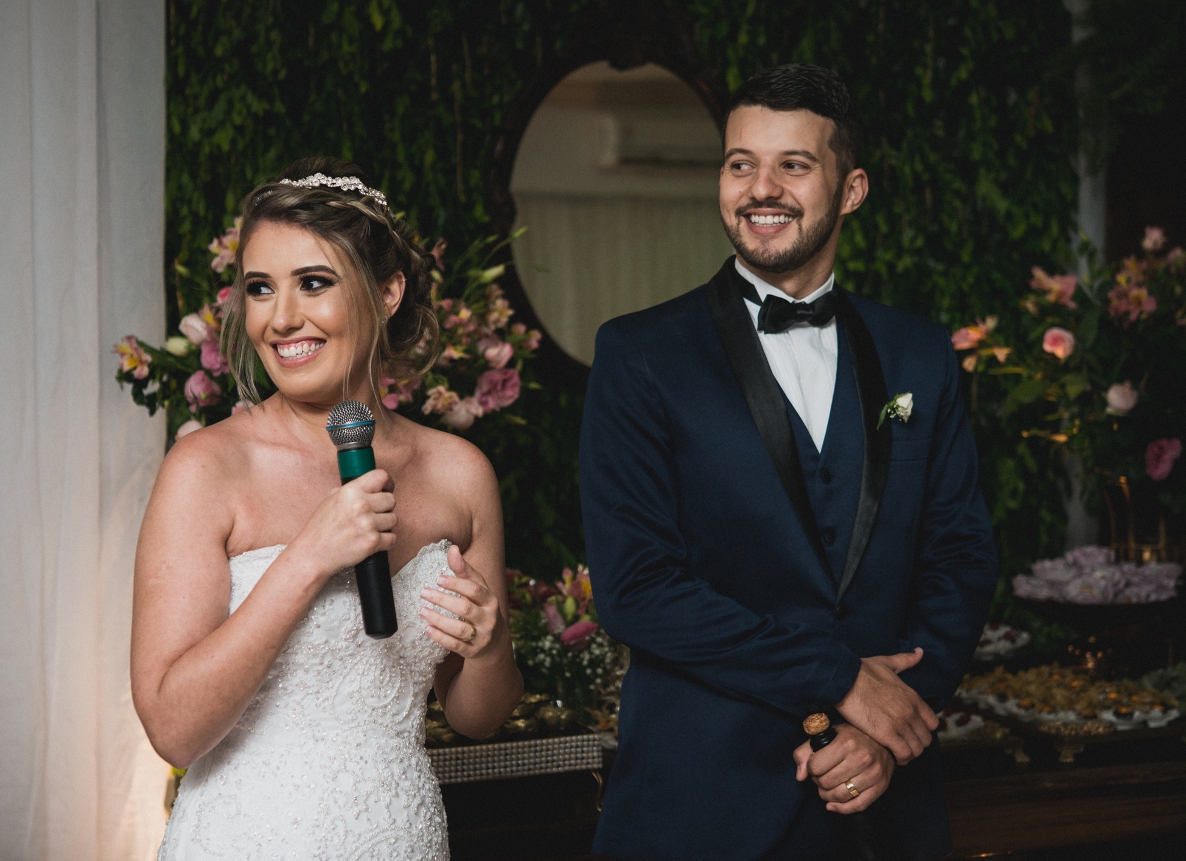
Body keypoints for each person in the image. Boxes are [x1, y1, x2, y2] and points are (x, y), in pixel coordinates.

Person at [579, 65, 997, 860]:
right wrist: (842, 679)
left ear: (851, 189)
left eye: (793, 165)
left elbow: (962, 556)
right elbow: (636, 588)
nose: (759, 188)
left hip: (881, 810)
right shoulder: (638, 355)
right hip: (699, 807)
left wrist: (888, 727)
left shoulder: (920, 354)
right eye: (741, 163)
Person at [131, 156, 524, 860]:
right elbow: (173, 729)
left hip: (397, 833)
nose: (282, 319)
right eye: (260, 288)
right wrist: (309, 556)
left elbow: (477, 716)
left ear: (388, 290)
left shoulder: (460, 474)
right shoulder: (206, 469)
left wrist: (489, 645)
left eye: (313, 283)